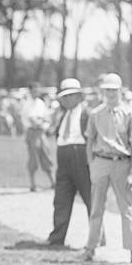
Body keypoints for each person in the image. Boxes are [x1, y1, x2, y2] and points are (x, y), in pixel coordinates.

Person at [82, 73, 132, 262]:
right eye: (107, 90)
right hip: (100, 162)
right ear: (103, 91)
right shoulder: (96, 114)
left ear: (120, 90)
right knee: (96, 207)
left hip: (122, 163)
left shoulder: (128, 113)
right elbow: (90, 141)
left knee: (126, 209)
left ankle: (130, 250)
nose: (110, 93)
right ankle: (91, 247)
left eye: (114, 90)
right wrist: (91, 164)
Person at [47, 78, 91, 247]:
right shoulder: (63, 115)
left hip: (80, 156)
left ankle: (96, 237)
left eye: (71, 96)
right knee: (61, 199)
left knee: (90, 198)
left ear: (79, 97)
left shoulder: (87, 113)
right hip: (64, 157)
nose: (67, 100)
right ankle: (57, 238)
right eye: (64, 97)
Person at [21, 84, 55, 191]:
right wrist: (40, 122)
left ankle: (53, 182)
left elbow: (47, 118)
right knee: (33, 158)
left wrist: (43, 123)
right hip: (32, 132)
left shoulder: (41, 103)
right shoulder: (27, 104)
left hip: (41, 133)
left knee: (46, 156)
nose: (36, 92)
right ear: (30, 91)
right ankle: (32, 184)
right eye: (34, 90)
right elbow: (32, 120)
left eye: (37, 90)